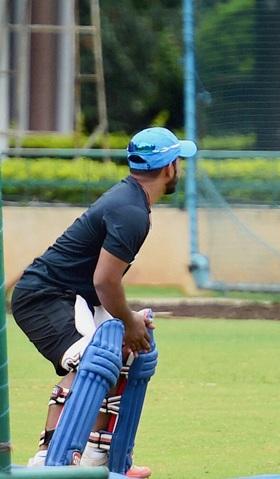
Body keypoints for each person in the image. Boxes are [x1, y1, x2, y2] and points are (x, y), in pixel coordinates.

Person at [10, 127, 197, 476]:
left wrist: (129, 322)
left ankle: (99, 456)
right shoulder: (131, 211)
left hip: (76, 296)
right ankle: (49, 459)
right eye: (179, 161)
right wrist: (128, 320)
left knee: (123, 358)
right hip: (46, 296)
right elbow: (105, 280)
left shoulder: (131, 202)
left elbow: (102, 284)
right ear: (170, 167)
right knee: (89, 364)